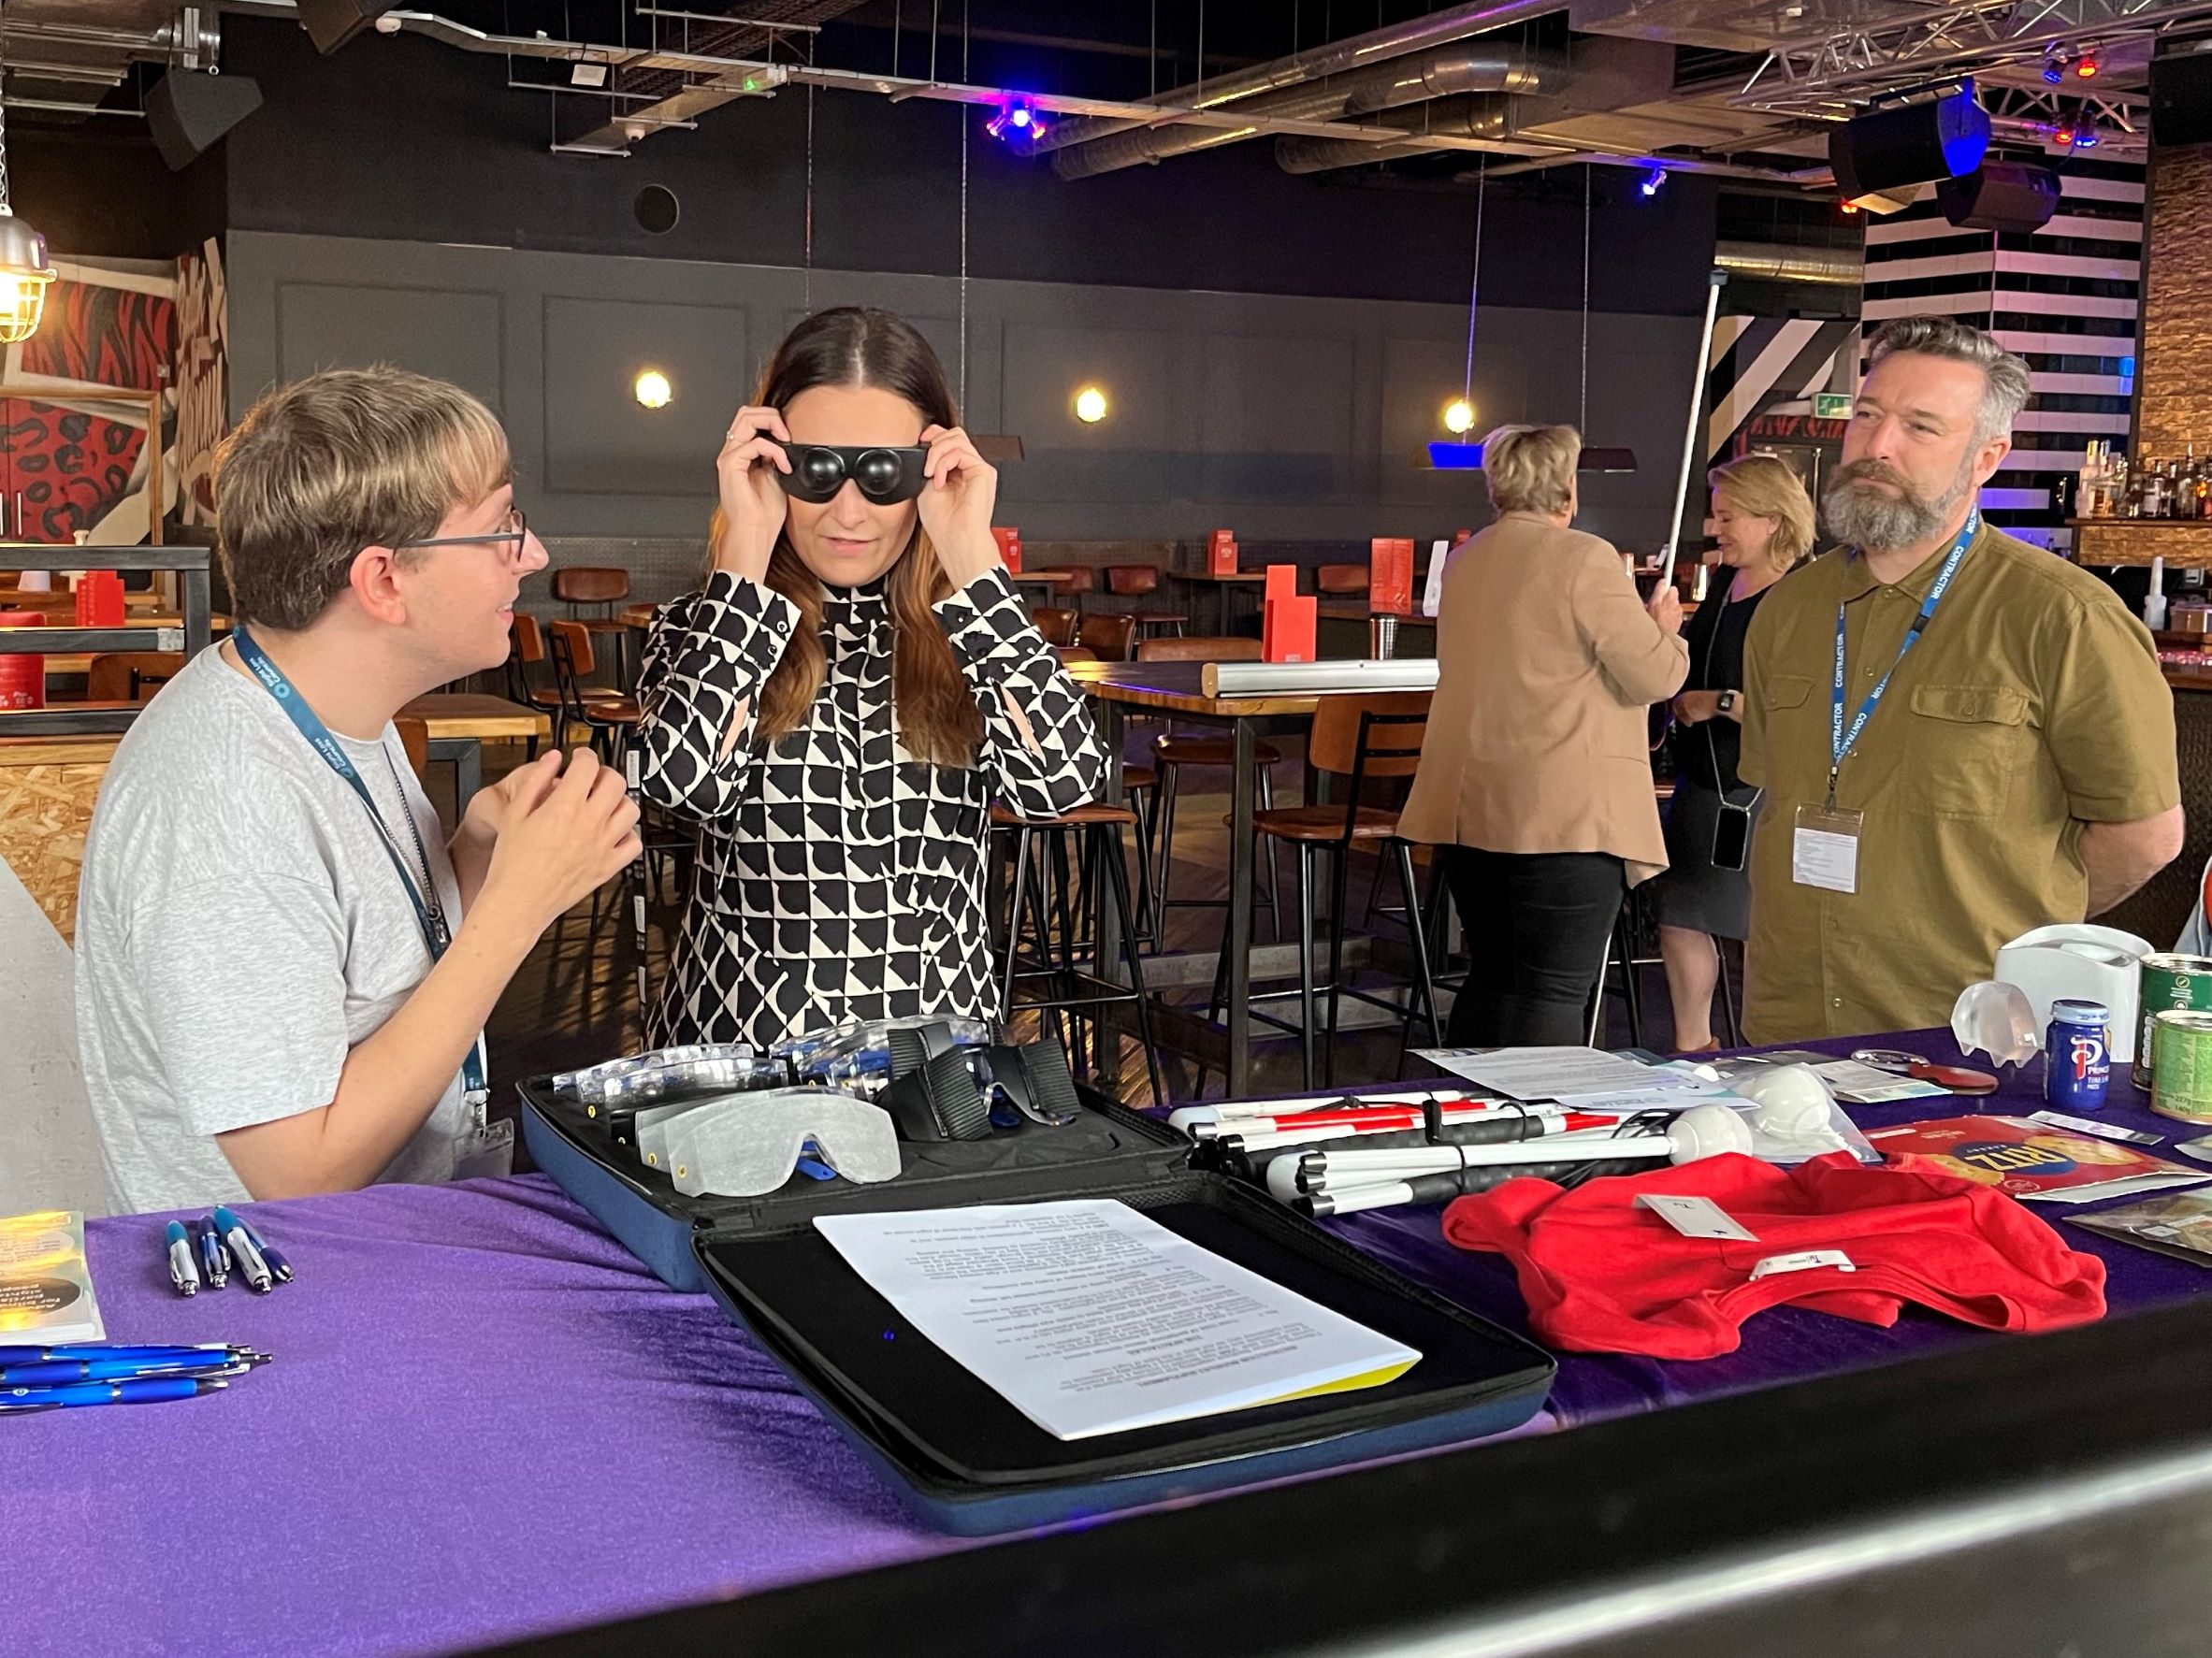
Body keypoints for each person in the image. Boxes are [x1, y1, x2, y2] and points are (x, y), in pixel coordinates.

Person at [76, 368, 641, 1213]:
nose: (532, 554)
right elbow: (301, 1175)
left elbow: (358, 974)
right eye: (498, 528)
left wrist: (474, 863)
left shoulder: (331, 710)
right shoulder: (224, 800)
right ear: (383, 581)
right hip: (281, 1307)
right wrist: (519, 904)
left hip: (388, 1255)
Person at [635, 307, 1103, 1050]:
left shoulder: (967, 631)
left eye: (884, 475)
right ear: (767, 462)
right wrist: (747, 554)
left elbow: (1059, 783)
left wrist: (971, 557)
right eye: (816, 470)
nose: (847, 511)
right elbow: (679, 786)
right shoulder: (707, 621)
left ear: (929, 473)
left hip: (936, 1074)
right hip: (743, 1069)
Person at [1740, 316, 2182, 1042]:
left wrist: (2024, 921)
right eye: (1867, 416)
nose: (1878, 446)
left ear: (1986, 457)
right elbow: (1773, 796)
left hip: (1967, 1038)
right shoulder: (1788, 608)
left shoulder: (2062, 617)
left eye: (1920, 427)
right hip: (1788, 1027)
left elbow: (2145, 836)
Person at [1399, 423, 1688, 1045]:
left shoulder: (1466, 558)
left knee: (1493, 980)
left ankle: (1470, 1128)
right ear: (1567, 488)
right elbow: (1656, 675)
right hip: (1562, 812)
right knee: (1552, 990)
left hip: (1471, 809)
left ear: (1496, 483)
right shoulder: (1586, 557)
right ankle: (1540, 1135)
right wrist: (1663, 624)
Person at [1653, 454, 1815, 1051]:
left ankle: (1772, 1049)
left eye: (1728, 516)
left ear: (1773, 520)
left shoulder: (1805, 593)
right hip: (1706, 782)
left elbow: (1809, 707)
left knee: (1760, 932)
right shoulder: (1725, 582)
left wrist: (1716, 703)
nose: (1715, 528)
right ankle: (1694, 1048)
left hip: (1763, 791)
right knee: (1681, 919)